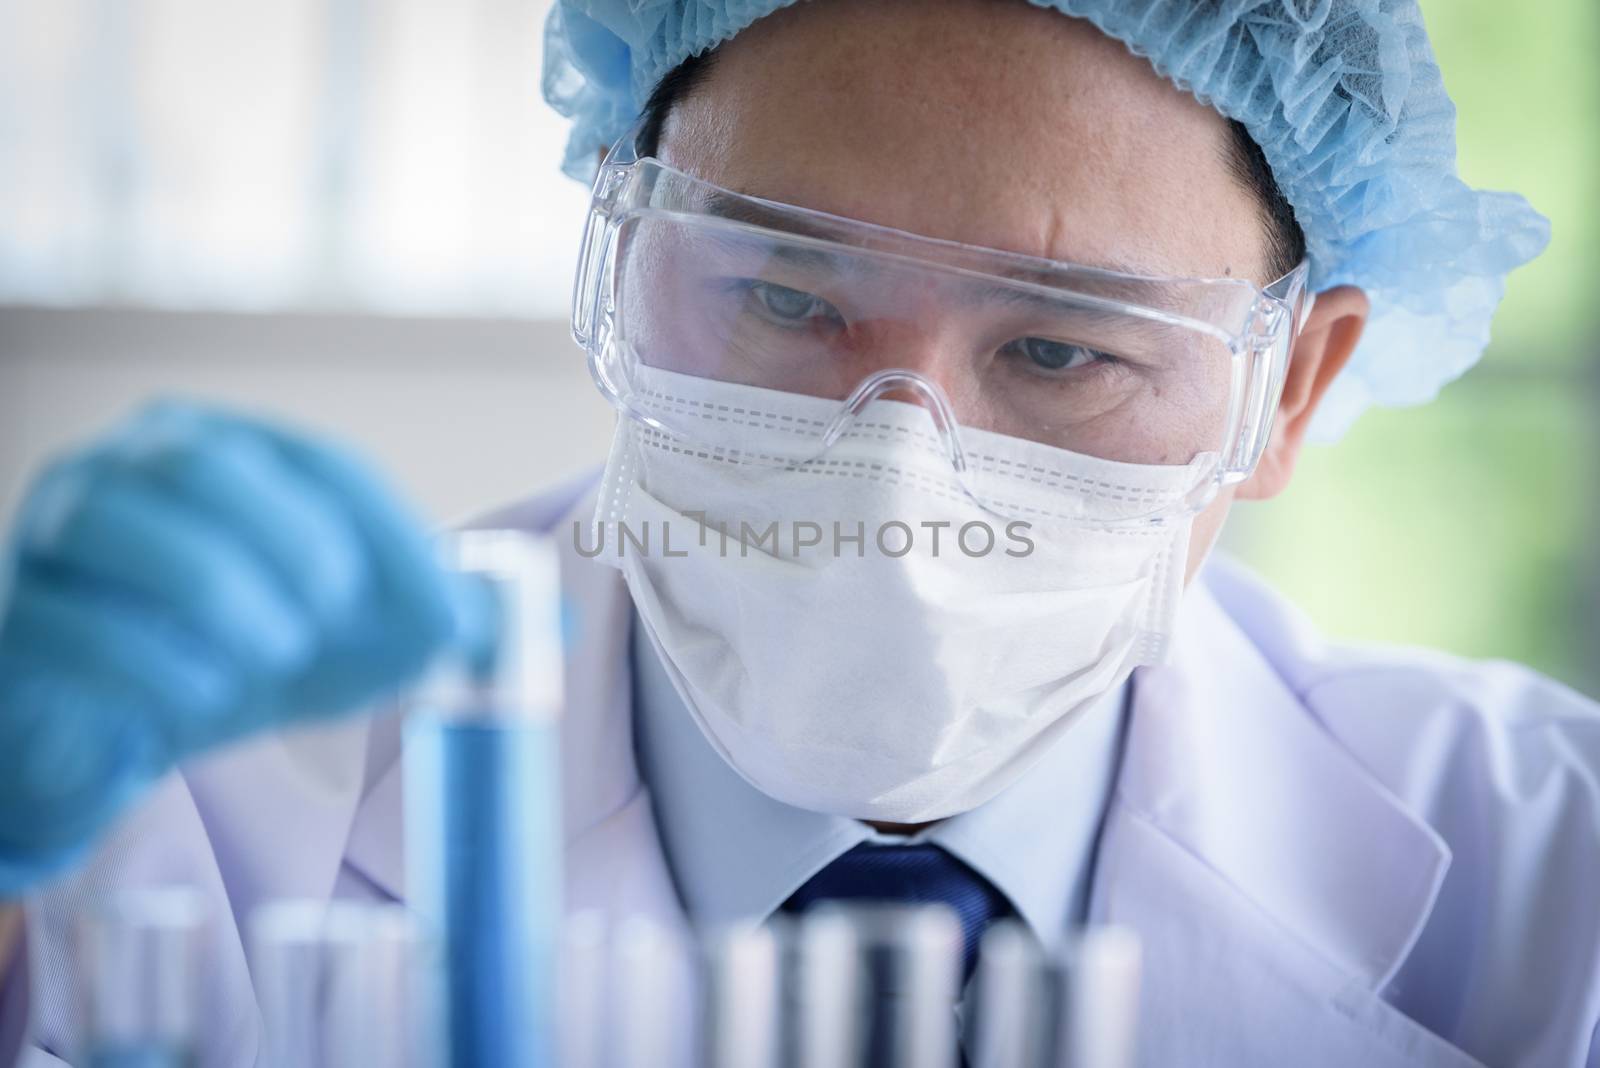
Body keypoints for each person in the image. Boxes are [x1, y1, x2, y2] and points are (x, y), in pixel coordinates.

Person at [0, 0, 1593, 1064]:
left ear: (1292, 386)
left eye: (1058, 351)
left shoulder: (1553, 872)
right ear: (625, 262)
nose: (894, 478)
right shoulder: (178, 816)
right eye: (782, 296)